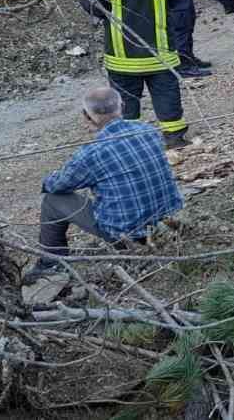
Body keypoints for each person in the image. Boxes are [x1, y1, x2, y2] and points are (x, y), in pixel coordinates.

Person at [24, 86, 184, 283]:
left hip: (128, 234)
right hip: (170, 220)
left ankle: (51, 264)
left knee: (52, 200)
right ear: (123, 106)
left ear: (86, 116)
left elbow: (58, 185)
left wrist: (47, 179)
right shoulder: (149, 130)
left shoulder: (92, 153)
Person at [82, 0, 191, 149]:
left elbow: (90, 5)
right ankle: (174, 138)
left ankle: (129, 142)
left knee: (126, 102)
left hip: (122, 56)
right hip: (160, 51)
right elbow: (179, 0)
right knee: (166, 94)